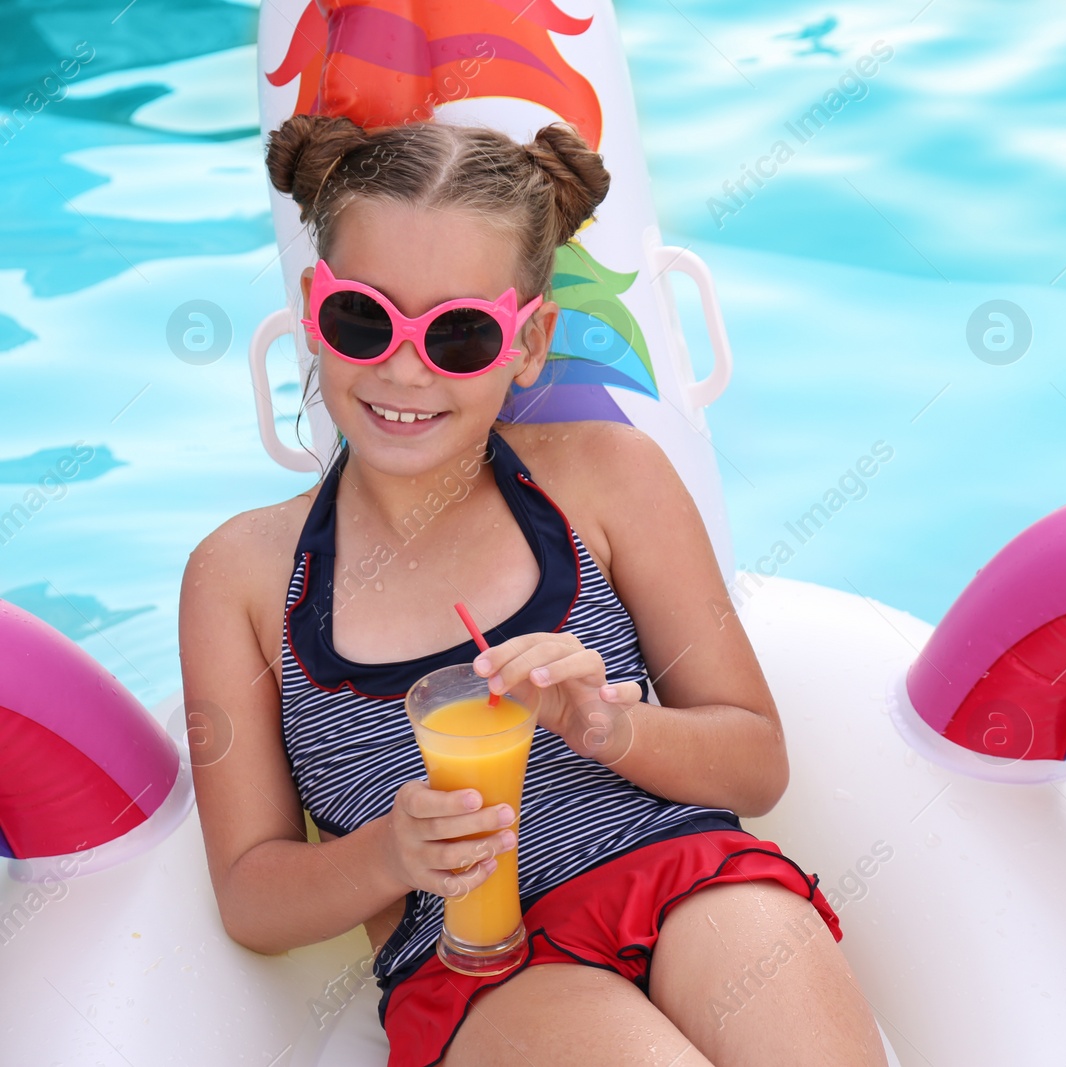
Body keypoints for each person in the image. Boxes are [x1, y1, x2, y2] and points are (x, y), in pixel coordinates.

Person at [178, 113, 887, 1067]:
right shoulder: (245, 578)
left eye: (460, 334)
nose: (402, 367)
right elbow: (253, 896)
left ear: (527, 342)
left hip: (685, 872)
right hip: (478, 962)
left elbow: (754, 761)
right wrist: (393, 854)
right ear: (314, 304)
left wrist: (604, 725)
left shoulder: (607, 480)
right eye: (364, 317)